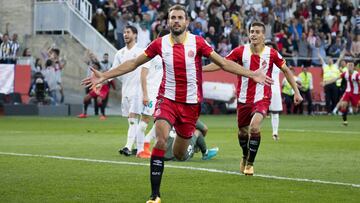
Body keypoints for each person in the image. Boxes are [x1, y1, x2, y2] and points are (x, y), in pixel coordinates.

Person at [82, 5, 272, 203]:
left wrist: (252, 74)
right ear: (168, 21)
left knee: (180, 154)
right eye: (173, 17)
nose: (176, 21)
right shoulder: (160, 44)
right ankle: (155, 195)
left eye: (180, 17)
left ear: (187, 22)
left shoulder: (198, 43)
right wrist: (104, 75)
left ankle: (195, 139)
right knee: (161, 140)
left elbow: (223, 63)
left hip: (190, 105)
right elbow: (134, 63)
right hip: (168, 100)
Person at [203, 22, 303, 176]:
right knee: (242, 132)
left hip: (262, 98)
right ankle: (245, 155)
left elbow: (287, 70)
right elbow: (221, 64)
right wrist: (200, 69)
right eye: (251, 31)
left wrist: (296, 92)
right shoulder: (240, 51)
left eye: (257, 32)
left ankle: (250, 163)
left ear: (264, 35)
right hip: (243, 99)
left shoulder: (272, 54)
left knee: (254, 127)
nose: (253, 34)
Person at [112, 25, 149, 157]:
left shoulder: (141, 52)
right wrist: (101, 81)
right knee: (132, 120)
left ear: (135, 35)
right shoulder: (119, 53)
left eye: (128, 32)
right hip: (125, 90)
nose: (125, 34)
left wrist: (146, 92)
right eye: (124, 32)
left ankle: (128, 146)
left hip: (137, 90)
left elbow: (147, 71)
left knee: (133, 118)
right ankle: (140, 149)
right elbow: (114, 71)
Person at [137, 30, 170, 159]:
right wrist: (145, 94)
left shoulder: (166, 54)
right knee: (144, 121)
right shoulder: (149, 52)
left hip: (160, 94)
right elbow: (143, 75)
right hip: (149, 93)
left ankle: (146, 143)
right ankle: (140, 150)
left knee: (160, 122)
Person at [323, 60, 359, 126]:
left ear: (354, 67)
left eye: (351, 65)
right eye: (349, 65)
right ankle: (345, 121)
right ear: (347, 66)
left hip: (356, 93)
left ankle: (355, 108)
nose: (350, 66)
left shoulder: (357, 74)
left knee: (355, 111)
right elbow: (336, 78)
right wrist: (326, 83)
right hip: (348, 92)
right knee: (343, 104)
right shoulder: (345, 74)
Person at [265, 42, 282, 141]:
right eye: (267, 47)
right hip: (261, 87)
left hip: (274, 88)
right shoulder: (259, 57)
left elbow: (286, 70)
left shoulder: (278, 57)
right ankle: (252, 131)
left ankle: (275, 133)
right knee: (256, 111)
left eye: (271, 48)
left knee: (275, 112)